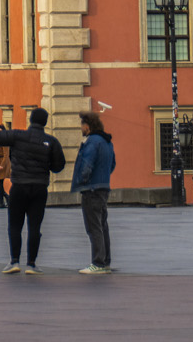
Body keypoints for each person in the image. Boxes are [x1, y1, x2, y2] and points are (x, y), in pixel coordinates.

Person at [0, 107, 67, 275]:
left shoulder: (18, 136)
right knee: (35, 226)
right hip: (39, 188)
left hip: (19, 186)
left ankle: (14, 261)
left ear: (31, 120)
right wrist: (46, 165)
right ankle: (31, 264)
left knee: (15, 225)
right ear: (45, 122)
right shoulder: (51, 141)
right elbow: (59, 166)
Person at [72, 112, 116, 275]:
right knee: (103, 226)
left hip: (91, 189)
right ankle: (105, 262)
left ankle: (97, 262)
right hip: (103, 187)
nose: (81, 128)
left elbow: (86, 165)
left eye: (82, 125)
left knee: (93, 227)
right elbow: (112, 164)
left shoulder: (92, 142)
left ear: (87, 126)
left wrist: (82, 180)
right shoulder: (107, 142)